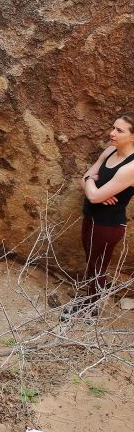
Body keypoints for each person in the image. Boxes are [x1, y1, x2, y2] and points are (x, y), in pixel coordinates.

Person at [65, 113, 134, 320]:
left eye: (119, 130)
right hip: (91, 217)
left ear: (132, 137)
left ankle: (90, 311)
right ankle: (88, 304)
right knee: (92, 263)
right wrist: (92, 187)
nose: (112, 133)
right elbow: (84, 180)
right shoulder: (110, 151)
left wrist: (92, 187)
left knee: (98, 267)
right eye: (113, 128)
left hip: (109, 225)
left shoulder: (131, 167)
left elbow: (92, 191)